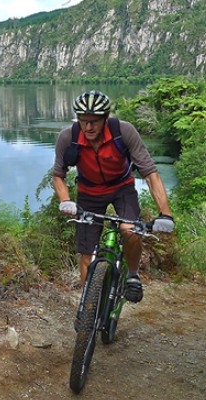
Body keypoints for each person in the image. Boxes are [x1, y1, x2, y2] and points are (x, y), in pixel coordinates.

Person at [52, 90, 174, 302]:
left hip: (122, 189)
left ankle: (133, 275)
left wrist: (165, 213)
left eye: (94, 122)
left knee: (130, 231)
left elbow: (150, 173)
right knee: (87, 252)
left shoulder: (123, 132)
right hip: (89, 192)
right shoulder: (68, 137)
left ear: (106, 118)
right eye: (83, 121)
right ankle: (87, 306)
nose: (88, 127)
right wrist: (65, 200)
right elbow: (58, 175)